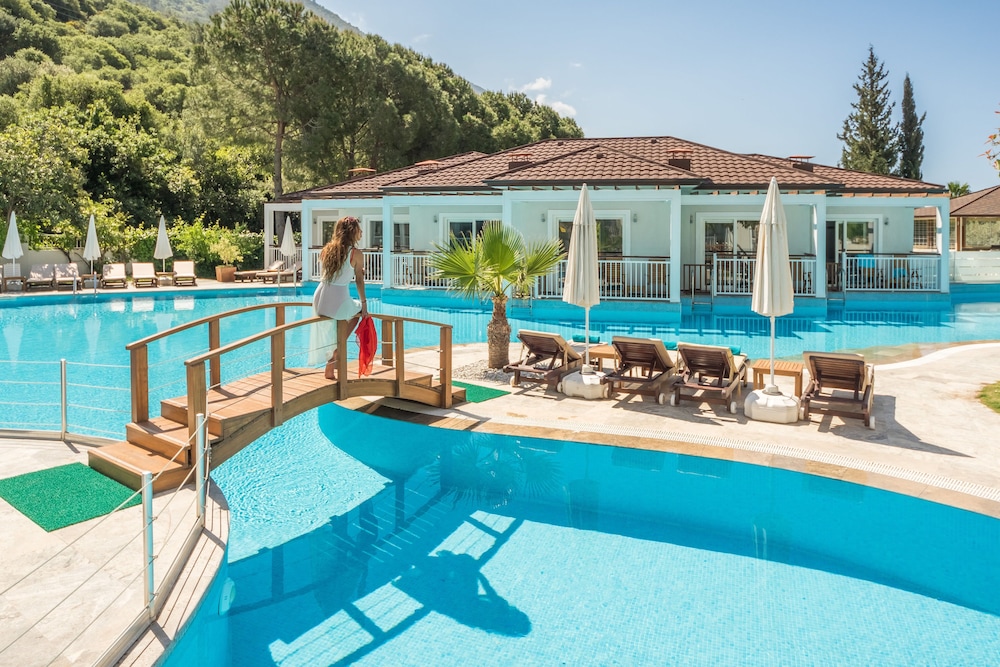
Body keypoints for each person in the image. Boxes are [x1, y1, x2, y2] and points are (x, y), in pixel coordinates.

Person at [312, 216, 368, 379]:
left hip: (320, 296)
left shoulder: (327, 249)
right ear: (353, 232)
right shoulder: (356, 253)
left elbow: (335, 272)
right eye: (359, 229)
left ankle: (331, 363)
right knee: (357, 313)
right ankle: (334, 355)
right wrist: (364, 304)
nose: (361, 232)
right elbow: (359, 281)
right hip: (337, 297)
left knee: (333, 326)